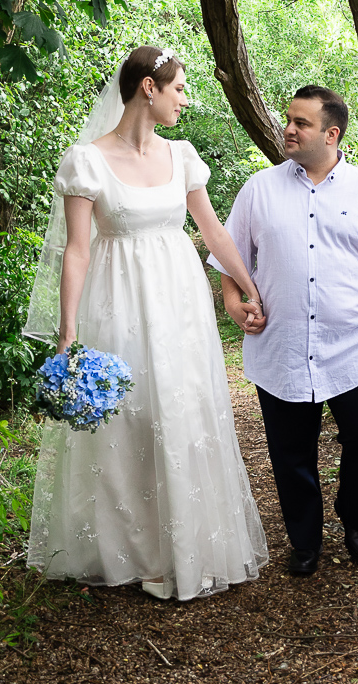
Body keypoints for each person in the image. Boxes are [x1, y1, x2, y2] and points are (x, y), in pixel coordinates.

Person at [23, 46, 268, 601]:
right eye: (179, 88)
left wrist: (248, 284)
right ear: (148, 89)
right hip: (117, 302)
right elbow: (77, 251)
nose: (186, 99)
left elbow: (213, 231)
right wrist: (67, 333)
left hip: (179, 304)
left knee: (179, 411)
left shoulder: (182, 156)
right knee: (128, 419)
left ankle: (182, 548)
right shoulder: (87, 161)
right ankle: (131, 550)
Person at [207, 85, 358, 576]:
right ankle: (304, 541)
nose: (288, 129)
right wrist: (233, 301)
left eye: (300, 123)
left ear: (331, 134)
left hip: (357, 347)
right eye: (288, 119)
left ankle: (353, 512)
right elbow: (229, 254)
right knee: (291, 454)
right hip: (281, 348)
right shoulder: (258, 190)